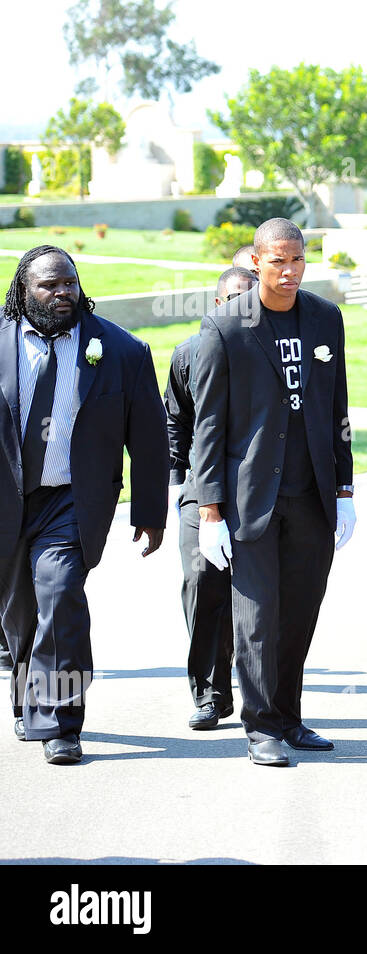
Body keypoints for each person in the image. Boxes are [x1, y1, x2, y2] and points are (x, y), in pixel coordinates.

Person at [191, 217, 356, 768]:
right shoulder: (224, 328)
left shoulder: (325, 319)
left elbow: (337, 408)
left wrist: (346, 487)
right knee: (256, 617)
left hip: (312, 494)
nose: (289, 272)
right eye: (278, 260)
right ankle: (260, 726)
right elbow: (209, 425)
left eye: (298, 260)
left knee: (299, 613)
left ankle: (288, 716)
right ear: (255, 261)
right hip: (248, 499)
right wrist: (210, 508)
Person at [0, 246, 168, 764]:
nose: (63, 293)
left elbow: (148, 436)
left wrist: (149, 512)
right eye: (49, 286)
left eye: (69, 283)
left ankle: (60, 721)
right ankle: (29, 699)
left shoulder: (120, 350)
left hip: (73, 502)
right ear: (23, 292)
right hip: (9, 501)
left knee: (60, 593)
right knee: (19, 611)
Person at [166, 265, 257, 731]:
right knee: (203, 582)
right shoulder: (189, 353)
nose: (244, 306)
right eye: (235, 298)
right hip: (200, 490)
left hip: (257, 490)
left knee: (255, 593)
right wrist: (176, 483)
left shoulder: (271, 355)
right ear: (219, 303)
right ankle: (209, 693)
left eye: (251, 297)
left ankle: (262, 696)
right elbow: (176, 423)